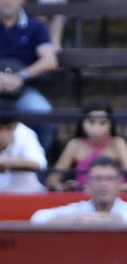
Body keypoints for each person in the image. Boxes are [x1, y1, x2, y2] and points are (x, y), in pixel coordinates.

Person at [45, 101, 127, 193]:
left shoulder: (118, 144)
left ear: (110, 125)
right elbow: (52, 180)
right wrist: (62, 188)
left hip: (114, 202)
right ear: (82, 123)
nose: (96, 128)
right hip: (83, 204)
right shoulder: (75, 145)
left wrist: (106, 190)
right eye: (91, 122)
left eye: (102, 122)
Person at [0, 0, 58, 152]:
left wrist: (20, 76)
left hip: (24, 89)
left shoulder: (36, 26)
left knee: (43, 115)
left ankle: (38, 164)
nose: (8, 1)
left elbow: (49, 60)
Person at [30, 156, 127, 224]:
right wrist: (77, 219)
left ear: (118, 183)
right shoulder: (79, 210)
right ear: (88, 183)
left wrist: (105, 219)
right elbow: (38, 218)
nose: (103, 184)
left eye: (109, 179)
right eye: (98, 178)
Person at [0, 98, 44, 192]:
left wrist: (4, 161)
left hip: (24, 195)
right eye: (0, 128)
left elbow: (38, 163)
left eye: (9, 128)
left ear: (16, 125)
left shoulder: (25, 133)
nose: (3, 135)